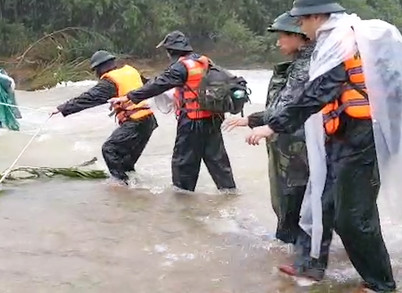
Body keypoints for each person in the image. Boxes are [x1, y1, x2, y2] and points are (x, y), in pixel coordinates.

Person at [244, 0, 402, 292]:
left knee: (353, 218)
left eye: (301, 22)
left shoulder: (342, 43)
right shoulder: (332, 42)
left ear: (317, 17)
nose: (300, 27)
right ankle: (310, 266)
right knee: (322, 204)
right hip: (341, 137)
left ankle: (381, 284)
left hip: (363, 140)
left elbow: (315, 94)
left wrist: (272, 126)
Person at [223, 12, 313, 244]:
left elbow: (289, 106)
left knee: (291, 197)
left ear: (299, 36)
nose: (278, 42)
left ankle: (295, 249)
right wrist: (252, 120)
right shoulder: (302, 64)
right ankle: (298, 246)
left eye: (282, 36)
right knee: (293, 198)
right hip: (291, 142)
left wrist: (261, 123)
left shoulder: (304, 67)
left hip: (295, 145)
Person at [108, 31, 236, 192]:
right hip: (213, 118)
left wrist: (129, 97)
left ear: (171, 51)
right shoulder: (205, 61)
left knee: (183, 164)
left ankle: (182, 206)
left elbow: (158, 86)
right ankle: (230, 195)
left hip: (191, 122)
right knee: (218, 162)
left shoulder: (180, 67)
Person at [52, 50, 158, 184]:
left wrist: (61, 108)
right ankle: (134, 189)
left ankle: (121, 185)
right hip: (149, 121)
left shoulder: (110, 81)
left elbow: (89, 98)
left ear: (100, 68)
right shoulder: (131, 71)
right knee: (125, 163)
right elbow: (150, 86)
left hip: (135, 122)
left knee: (109, 150)